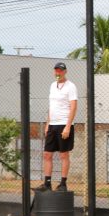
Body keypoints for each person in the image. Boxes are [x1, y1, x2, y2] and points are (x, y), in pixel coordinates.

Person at [37, 62, 78, 192]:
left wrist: (67, 126)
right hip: (52, 125)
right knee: (47, 154)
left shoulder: (71, 86)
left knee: (63, 155)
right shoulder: (52, 86)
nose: (58, 73)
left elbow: (73, 107)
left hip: (64, 124)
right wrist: (48, 124)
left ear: (65, 71)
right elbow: (51, 106)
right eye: (56, 70)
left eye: (60, 70)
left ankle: (63, 184)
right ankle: (47, 183)